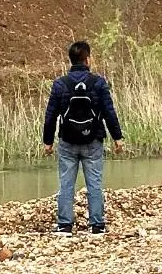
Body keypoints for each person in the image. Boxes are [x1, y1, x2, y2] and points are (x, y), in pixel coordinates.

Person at [43, 41, 124, 235]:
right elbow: (109, 112)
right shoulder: (98, 83)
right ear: (87, 59)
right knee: (94, 183)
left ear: (71, 60)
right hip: (93, 141)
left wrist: (47, 141)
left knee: (66, 183)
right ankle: (96, 225)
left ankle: (64, 225)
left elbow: (51, 115)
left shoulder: (60, 84)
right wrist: (117, 137)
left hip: (67, 141)